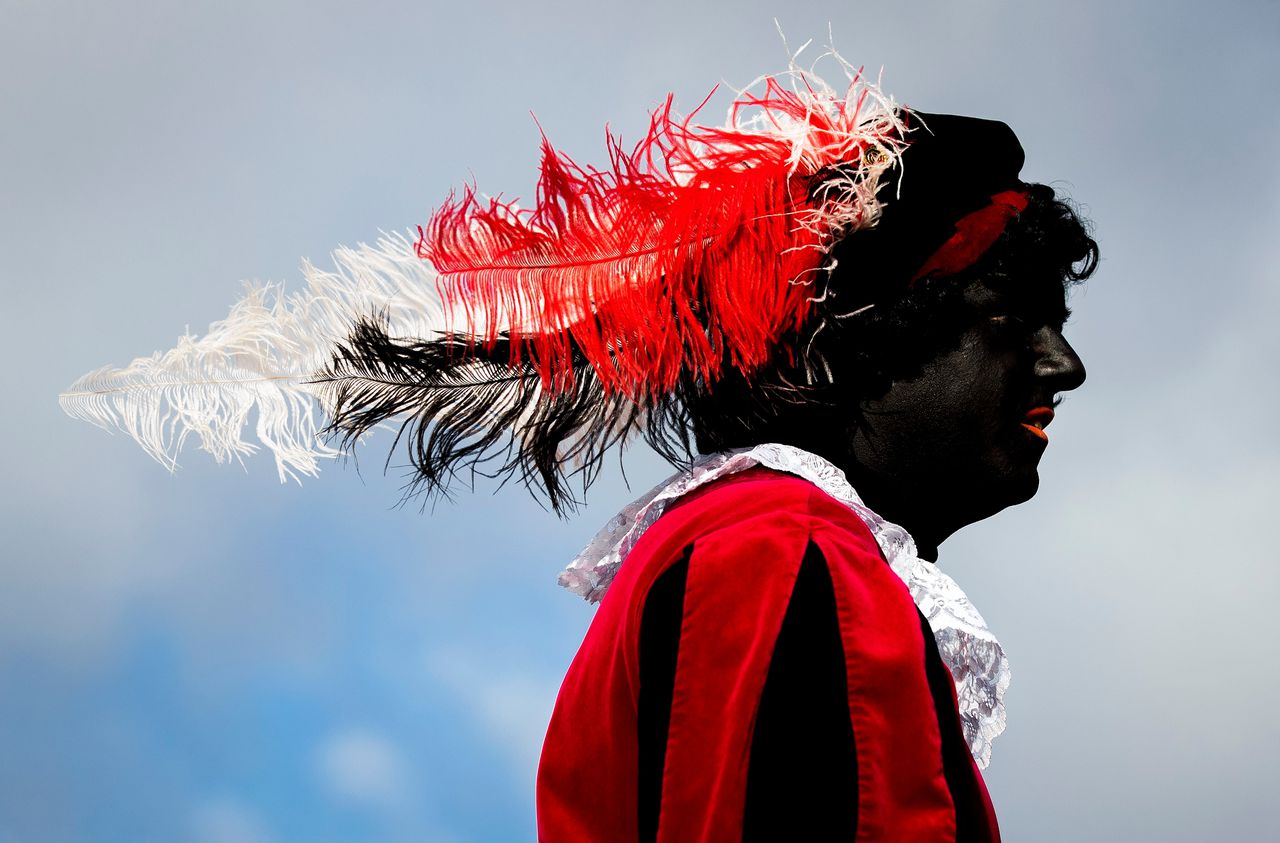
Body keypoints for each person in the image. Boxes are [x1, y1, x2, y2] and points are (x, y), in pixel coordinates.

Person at [60, 51, 1096, 843]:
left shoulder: (764, 549)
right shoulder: (777, 551)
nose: (1062, 365)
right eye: (1008, 317)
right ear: (840, 353)